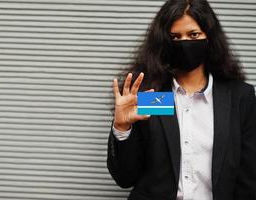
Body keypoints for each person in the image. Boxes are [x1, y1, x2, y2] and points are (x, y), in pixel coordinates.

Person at [107, 0, 256, 200]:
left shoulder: (239, 97)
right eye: (175, 37)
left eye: (193, 35)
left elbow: (248, 181)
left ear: (209, 37)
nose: (185, 43)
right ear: (164, 41)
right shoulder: (154, 96)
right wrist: (122, 128)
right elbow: (126, 178)